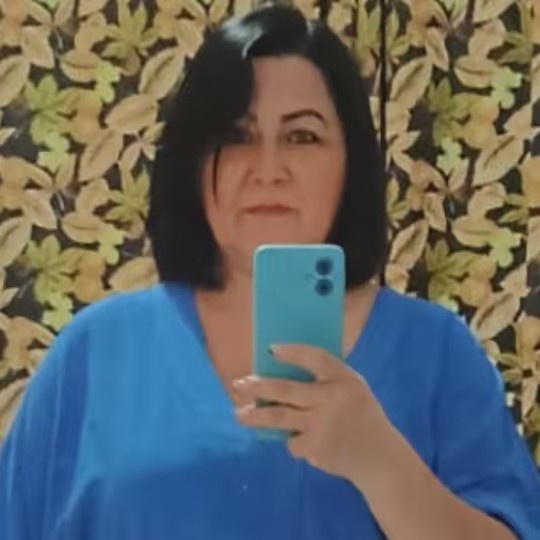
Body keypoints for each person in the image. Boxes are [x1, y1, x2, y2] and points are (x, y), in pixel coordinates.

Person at [0, 5, 539, 539]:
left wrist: (380, 462)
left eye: (302, 137)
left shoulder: (437, 352)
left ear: (350, 162)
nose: (268, 169)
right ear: (193, 163)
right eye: (237, 136)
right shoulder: (96, 353)